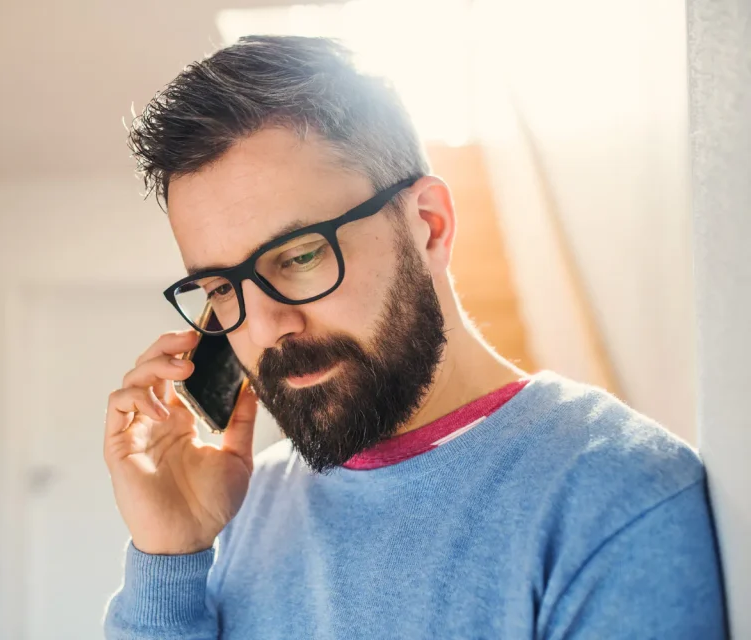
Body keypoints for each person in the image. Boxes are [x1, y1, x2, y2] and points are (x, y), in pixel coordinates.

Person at [101, 35, 727, 639]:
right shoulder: (237, 511)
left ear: (429, 225)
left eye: (298, 257)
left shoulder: (614, 496)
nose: (264, 327)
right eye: (220, 288)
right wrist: (170, 559)